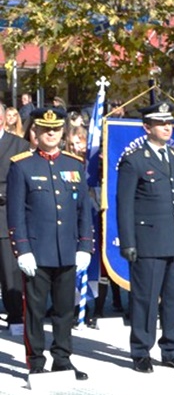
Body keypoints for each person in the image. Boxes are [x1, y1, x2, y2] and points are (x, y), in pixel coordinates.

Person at [5, 107, 92, 379]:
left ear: (62, 132)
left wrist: (85, 246)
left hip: (66, 250)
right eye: (45, 129)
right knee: (35, 310)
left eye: (55, 129)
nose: (51, 133)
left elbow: (84, 211)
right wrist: (22, 249)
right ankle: (36, 361)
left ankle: (62, 359)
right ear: (36, 131)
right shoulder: (22, 165)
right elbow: (16, 213)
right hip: (37, 251)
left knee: (65, 310)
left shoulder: (74, 164)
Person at [117, 103, 174, 373]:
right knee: (145, 299)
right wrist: (128, 242)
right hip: (148, 241)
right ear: (147, 127)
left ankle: (171, 349)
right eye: (161, 124)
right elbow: (124, 204)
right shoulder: (134, 160)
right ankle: (141, 351)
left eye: (169, 123)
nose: (167, 127)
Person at [0, 120, 27, 335]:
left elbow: (23, 180)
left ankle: (15, 316)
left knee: (10, 271)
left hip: (5, 216)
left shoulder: (19, 145)